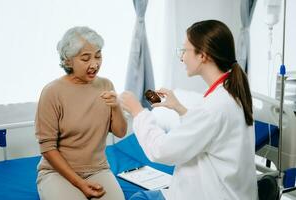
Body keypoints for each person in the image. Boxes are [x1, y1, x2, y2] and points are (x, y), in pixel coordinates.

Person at [120, 20, 258, 200]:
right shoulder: (230, 93)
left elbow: (161, 150)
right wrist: (179, 108)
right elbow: (209, 133)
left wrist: (138, 112)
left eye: (185, 50)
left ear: (203, 55)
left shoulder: (214, 107)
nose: (182, 57)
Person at [35, 26, 127, 200]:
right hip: (57, 173)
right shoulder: (52, 92)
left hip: (98, 169)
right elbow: (47, 149)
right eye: (86, 58)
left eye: (98, 56)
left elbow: (120, 132)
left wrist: (116, 107)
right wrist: (80, 184)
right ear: (68, 61)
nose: (95, 64)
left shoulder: (106, 85)